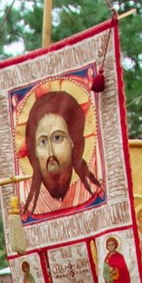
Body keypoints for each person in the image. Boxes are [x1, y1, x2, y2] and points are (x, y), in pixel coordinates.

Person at [19, 88, 102, 219]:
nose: (50, 153)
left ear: (72, 141)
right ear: (34, 150)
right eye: (42, 142)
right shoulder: (30, 208)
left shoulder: (93, 193)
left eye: (57, 138)